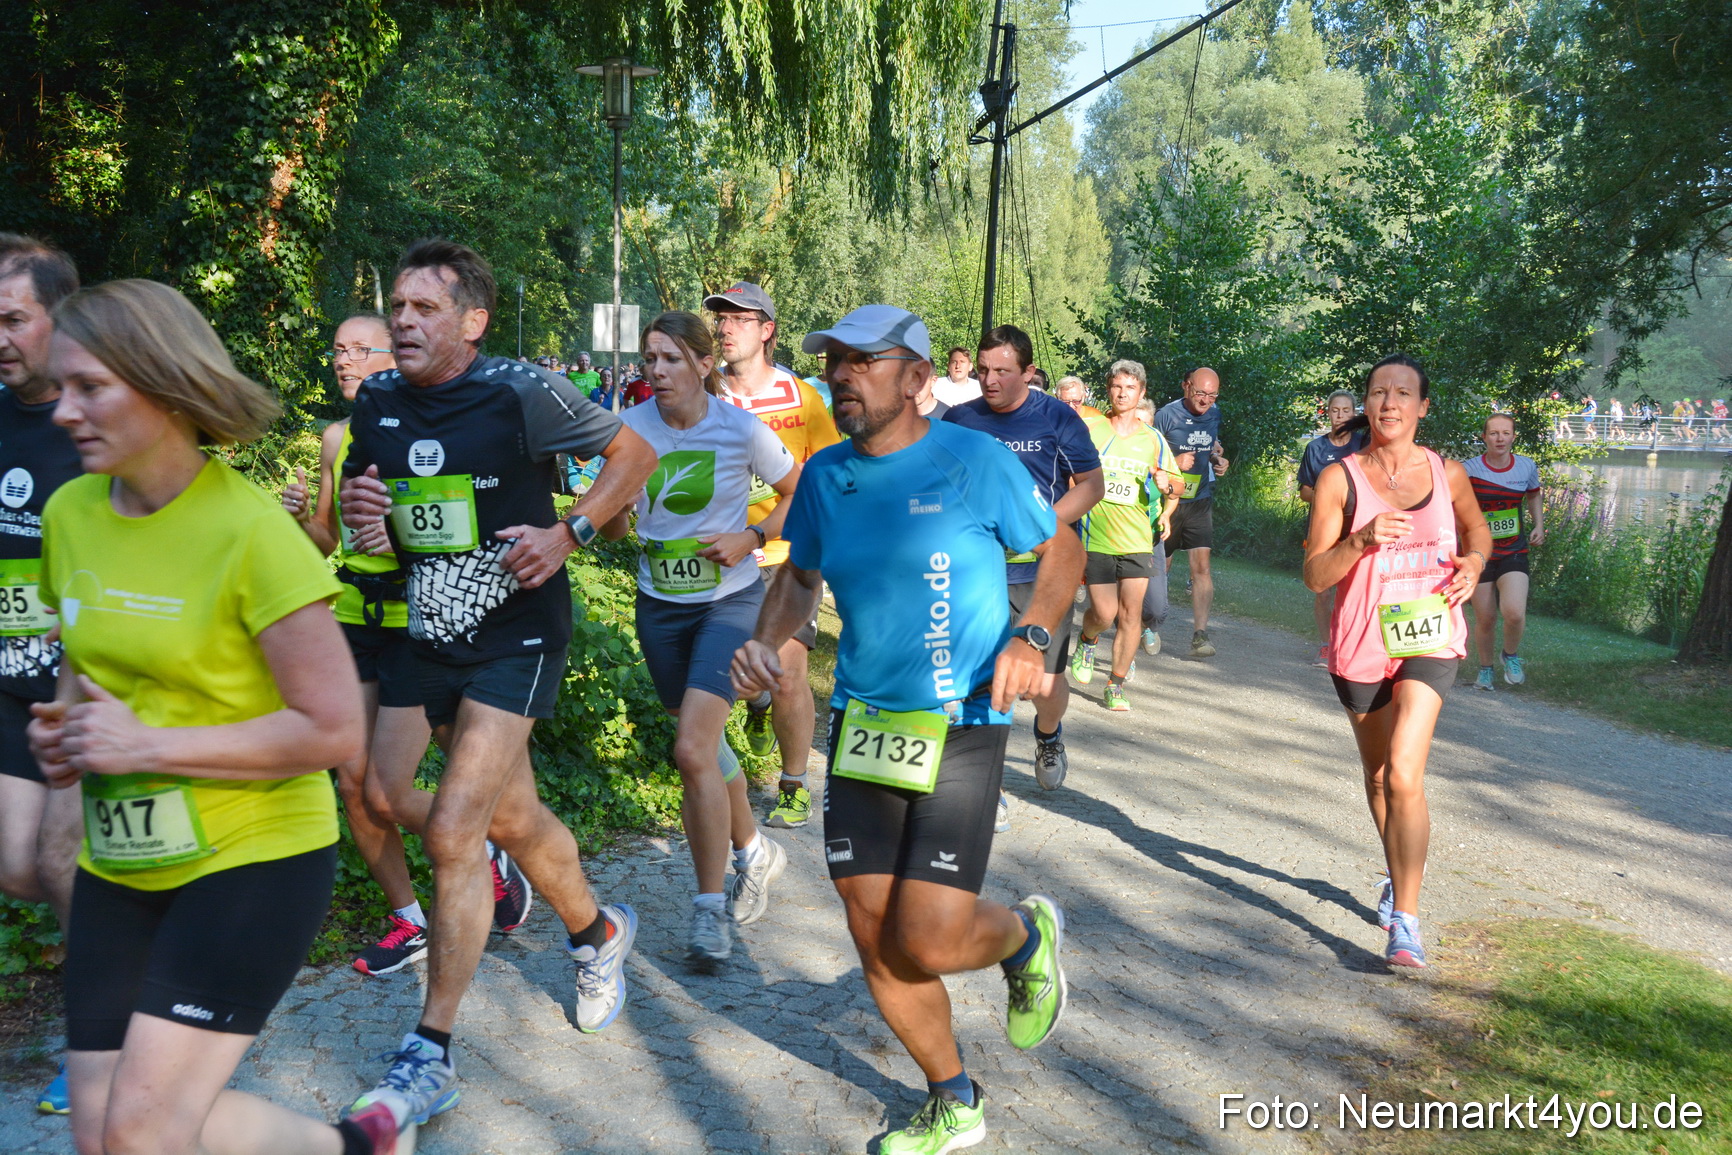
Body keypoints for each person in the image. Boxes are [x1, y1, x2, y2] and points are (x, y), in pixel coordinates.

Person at [33, 278, 418, 1155]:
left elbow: (332, 730)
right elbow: (80, 659)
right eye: (61, 387)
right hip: (121, 860)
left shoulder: (252, 533)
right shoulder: (69, 512)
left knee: (141, 1134)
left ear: (164, 387)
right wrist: (62, 724)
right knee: (103, 1135)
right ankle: (351, 1147)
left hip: (252, 860)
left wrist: (147, 742)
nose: (63, 411)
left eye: (89, 387)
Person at [731, 303, 1078, 1154]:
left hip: (963, 718)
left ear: (918, 379)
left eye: (863, 361)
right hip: (866, 724)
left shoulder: (974, 459)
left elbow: (1061, 548)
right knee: (869, 923)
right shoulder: (823, 477)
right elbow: (800, 577)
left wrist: (1032, 634)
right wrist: (765, 642)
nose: (842, 375)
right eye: (835, 362)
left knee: (925, 931)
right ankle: (955, 1097)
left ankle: (1026, 933)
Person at [338, 239, 657, 1126]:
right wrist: (371, 520)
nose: (402, 320)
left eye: (424, 308)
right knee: (404, 794)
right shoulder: (379, 401)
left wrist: (571, 534)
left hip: (515, 631)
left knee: (452, 829)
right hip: (426, 625)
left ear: (471, 323)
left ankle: (429, 1048)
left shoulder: (521, 389)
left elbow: (633, 456)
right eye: (396, 306)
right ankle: (598, 932)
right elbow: (381, 523)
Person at [597, 310, 799, 966]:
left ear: (703, 364)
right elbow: (614, 530)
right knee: (704, 750)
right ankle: (754, 850)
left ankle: (711, 911)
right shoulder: (631, 430)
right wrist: (618, 516)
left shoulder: (739, 429)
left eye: (670, 359)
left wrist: (754, 536)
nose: (655, 371)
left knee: (691, 748)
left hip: (730, 600)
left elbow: (803, 492)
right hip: (660, 605)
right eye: (649, 358)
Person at [1302, 353, 1491, 969]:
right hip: (1361, 641)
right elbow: (1313, 575)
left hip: (1428, 633)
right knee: (1381, 777)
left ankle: (1405, 921)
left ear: (1422, 406)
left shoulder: (1448, 472)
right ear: (1367, 403)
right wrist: (1359, 540)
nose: (1389, 403)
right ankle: (1395, 873)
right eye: (1379, 392)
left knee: (1407, 773)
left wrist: (1474, 563)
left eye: (1403, 393)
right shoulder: (1339, 478)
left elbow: (1477, 532)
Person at [282, 314, 449, 977]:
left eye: (359, 349)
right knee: (352, 782)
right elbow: (328, 539)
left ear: (395, 354)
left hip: (419, 618)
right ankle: (410, 920)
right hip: (352, 615)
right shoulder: (335, 438)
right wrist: (302, 519)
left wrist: (403, 538)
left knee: (389, 790)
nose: (343, 360)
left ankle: (486, 847)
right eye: (337, 349)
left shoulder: (432, 430)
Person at [944, 325, 1102, 804]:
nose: (989, 381)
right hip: (977, 573)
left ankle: (1048, 737)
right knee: (978, 679)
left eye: (1003, 372)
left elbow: (1091, 486)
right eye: (983, 370)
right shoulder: (959, 420)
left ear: (1029, 373)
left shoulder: (1057, 418)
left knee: (1043, 687)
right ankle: (977, 783)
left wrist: (1038, 529)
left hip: (1041, 574)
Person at [0, 234, 85, 1117]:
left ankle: (93, 1033)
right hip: (6, 677)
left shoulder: (99, 416)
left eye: (12, 318)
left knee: (62, 861)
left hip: (86, 682)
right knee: (21, 865)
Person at [704, 282, 841, 830]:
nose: (726, 328)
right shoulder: (706, 395)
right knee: (747, 676)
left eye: (739, 319)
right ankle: (756, 708)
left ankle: (793, 783)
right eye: (721, 319)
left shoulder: (803, 399)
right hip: (719, 555)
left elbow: (828, 473)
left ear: (767, 331)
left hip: (788, 553)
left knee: (788, 670)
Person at [1069, 360, 1179, 711]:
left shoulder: (1153, 440)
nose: (1122, 393)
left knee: (1131, 614)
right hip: (1097, 535)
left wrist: (1168, 485)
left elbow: (1177, 486)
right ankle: (1088, 639)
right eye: (1117, 386)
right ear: (1108, 389)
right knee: (1103, 611)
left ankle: (1115, 684)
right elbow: (1070, 470)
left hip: (1136, 539)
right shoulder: (1092, 429)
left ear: (1141, 393)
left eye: (1130, 387)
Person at [1463, 414, 1544, 690]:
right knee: (1485, 617)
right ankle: (1485, 669)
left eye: (1505, 433)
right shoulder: (1469, 470)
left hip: (1513, 549)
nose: (1500, 438)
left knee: (1514, 613)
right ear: (1484, 437)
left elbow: (1533, 494)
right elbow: (1454, 505)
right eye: (1494, 433)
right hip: (1479, 554)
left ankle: (1510, 655)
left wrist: (1539, 525)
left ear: (1513, 436)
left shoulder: (1525, 466)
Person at [1154, 367, 1229, 658]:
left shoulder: (1214, 414)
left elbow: (1210, 446)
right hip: (1168, 502)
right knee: (1162, 567)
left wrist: (1217, 460)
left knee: (1202, 568)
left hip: (1199, 499)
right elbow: (1147, 455)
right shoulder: (1166, 415)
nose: (1206, 400)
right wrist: (1174, 462)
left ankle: (1200, 634)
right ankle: (1150, 625)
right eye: (1201, 393)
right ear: (1186, 387)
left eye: (1212, 395)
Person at [1298, 390, 1370, 668]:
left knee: (1355, 587)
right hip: (1324, 526)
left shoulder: (1364, 444)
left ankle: (1352, 643)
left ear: (1355, 414)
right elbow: (1305, 491)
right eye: (1335, 411)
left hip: (1357, 527)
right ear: (1327, 413)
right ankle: (1327, 644)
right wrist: (1331, 496)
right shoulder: (1315, 449)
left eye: (1346, 411)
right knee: (1323, 589)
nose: (1340, 416)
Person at [1134, 398, 1181, 659]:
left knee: (1156, 609)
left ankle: (1146, 627)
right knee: (1119, 605)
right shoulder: (1116, 451)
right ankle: (1122, 659)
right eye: (1137, 422)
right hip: (1117, 536)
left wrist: (1166, 514)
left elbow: (1176, 490)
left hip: (1150, 536)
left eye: (1148, 424)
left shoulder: (1160, 452)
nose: (1143, 430)